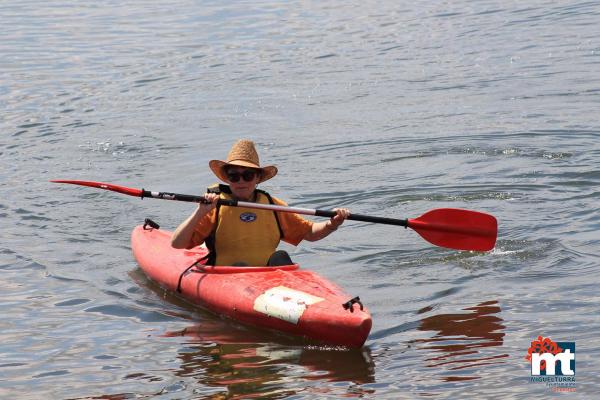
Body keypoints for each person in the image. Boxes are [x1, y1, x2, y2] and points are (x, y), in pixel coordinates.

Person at [171, 139, 350, 266]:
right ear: (227, 179)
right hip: (227, 277)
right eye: (234, 176)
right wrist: (200, 212)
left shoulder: (271, 205)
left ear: (257, 178)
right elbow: (177, 244)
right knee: (239, 265)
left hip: (267, 279)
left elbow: (310, 233)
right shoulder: (214, 206)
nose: (241, 181)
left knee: (281, 257)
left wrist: (332, 223)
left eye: (247, 175)